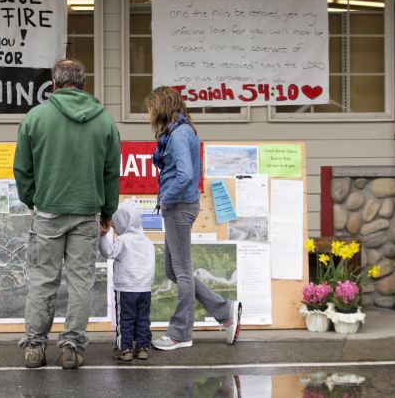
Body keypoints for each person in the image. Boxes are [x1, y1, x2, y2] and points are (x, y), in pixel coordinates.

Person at [14, 58, 121, 369]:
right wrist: (107, 212)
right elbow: (111, 173)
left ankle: (35, 346)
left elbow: (22, 169)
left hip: (47, 212)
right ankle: (71, 348)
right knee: (80, 283)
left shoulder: (35, 117)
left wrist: (34, 200)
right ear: (83, 84)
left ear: (54, 83)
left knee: (43, 281)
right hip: (88, 213)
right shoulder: (104, 122)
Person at [144, 86, 242, 351]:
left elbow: (186, 175)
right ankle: (224, 312)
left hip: (178, 207)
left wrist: (166, 199)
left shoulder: (177, 135)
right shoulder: (181, 131)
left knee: (182, 272)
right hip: (181, 206)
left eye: (151, 109)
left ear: (161, 107)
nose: (149, 115)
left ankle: (180, 334)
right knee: (173, 271)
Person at [99, 200, 155, 361]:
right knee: (143, 319)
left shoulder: (123, 240)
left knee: (125, 319)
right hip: (145, 289)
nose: (115, 227)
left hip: (125, 289)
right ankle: (142, 347)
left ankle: (125, 349)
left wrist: (103, 236)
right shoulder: (147, 241)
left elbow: (109, 252)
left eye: (116, 223)